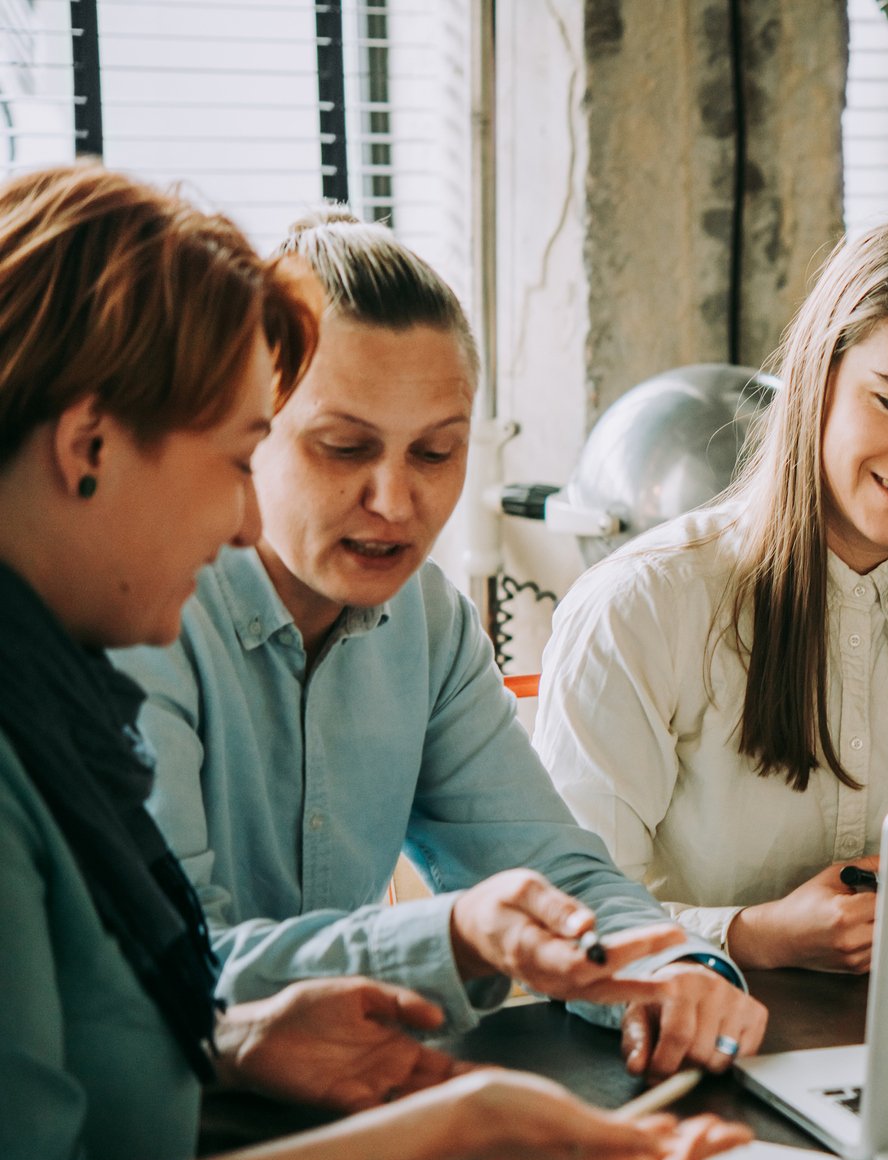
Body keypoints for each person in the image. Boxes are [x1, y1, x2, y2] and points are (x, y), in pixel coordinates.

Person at [0, 162, 750, 1160]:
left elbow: (132, 1005)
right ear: (87, 446)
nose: (245, 523)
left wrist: (672, 965)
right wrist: (444, 1089)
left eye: (439, 452)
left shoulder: (62, 676)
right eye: (262, 454)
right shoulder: (103, 654)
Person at [115, 211, 766, 1081]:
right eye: (344, 447)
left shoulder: (429, 618)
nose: (395, 499)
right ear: (247, 432)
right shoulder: (138, 617)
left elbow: (545, 862)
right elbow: (178, 965)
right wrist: (452, 937)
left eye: (436, 451)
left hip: (343, 1109)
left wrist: (672, 967)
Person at [535, 216, 888, 974]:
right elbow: (568, 920)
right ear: (819, 381)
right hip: (686, 1048)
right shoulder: (641, 607)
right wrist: (751, 935)